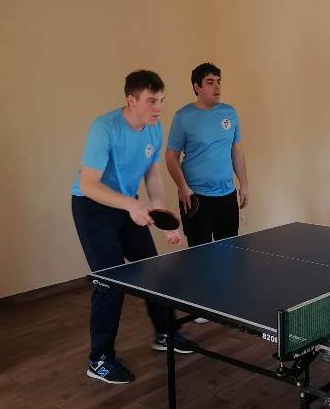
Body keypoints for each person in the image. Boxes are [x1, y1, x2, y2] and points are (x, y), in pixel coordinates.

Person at [71, 69, 190, 385]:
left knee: (153, 271)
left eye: (161, 100)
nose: (158, 107)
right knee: (111, 281)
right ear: (131, 100)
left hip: (127, 204)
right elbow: (88, 184)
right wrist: (131, 205)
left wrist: (162, 215)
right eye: (151, 100)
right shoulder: (104, 129)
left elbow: (152, 173)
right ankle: (99, 360)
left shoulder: (154, 127)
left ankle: (165, 333)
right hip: (93, 207)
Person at [165, 62, 248, 247]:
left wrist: (244, 185)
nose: (217, 86)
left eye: (218, 81)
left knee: (229, 253)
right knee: (200, 256)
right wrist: (182, 187)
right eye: (210, 82)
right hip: (195, 197)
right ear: (197, 87)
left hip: (227, 196)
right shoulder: (183, 117)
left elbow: (237, 150)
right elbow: (171, 156)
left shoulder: (230, 113)